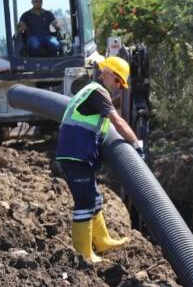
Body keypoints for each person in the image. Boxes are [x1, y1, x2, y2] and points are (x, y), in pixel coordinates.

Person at [54, 55, 143, 263]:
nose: (120, 86)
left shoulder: (90, 90)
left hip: (79, 154)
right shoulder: (98, 92)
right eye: (119, 81)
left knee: (94, 197)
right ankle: (84, 253)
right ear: (108, 73)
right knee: (84, 201)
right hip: (74, 155)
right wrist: (136, 144)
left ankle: (102, 240)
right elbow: (117, 121)